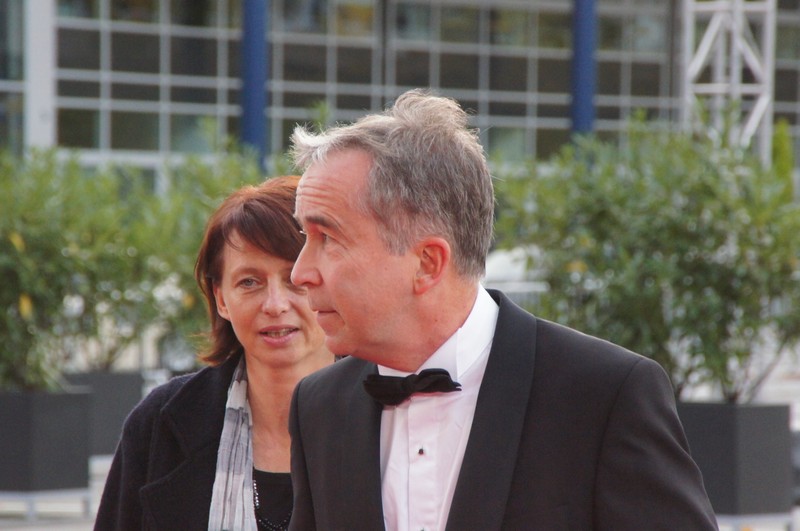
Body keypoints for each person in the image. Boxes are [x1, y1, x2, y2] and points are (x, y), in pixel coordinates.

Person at [286, 89, 718, 530]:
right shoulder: (318, 407)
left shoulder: (603, 395)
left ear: (427, 263)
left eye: (328, 239)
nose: (300, 273)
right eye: (305, 237)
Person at [94, 176, 334, 530]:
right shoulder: (158, 426)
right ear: (221, 299)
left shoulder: (386, 412)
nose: (275, 304)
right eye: (249, 282)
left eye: (294, 279)